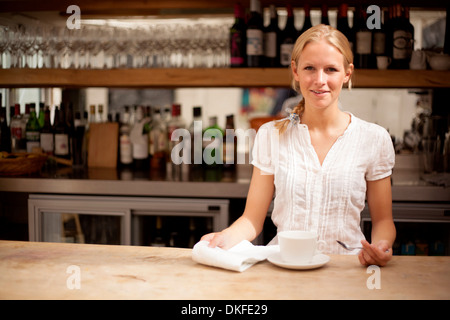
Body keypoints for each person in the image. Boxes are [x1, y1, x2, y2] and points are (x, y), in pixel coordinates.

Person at [201, 24, 396, 267]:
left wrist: (381, 246)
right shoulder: (270, 135)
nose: (320, 80)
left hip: (346, 270)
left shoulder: (373, 139)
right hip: (284, 268)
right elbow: (252, 219)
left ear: (347, 73)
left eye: (331, 69)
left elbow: (383, 222)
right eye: (310, 68)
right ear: (295, 71)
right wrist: (225, 237)